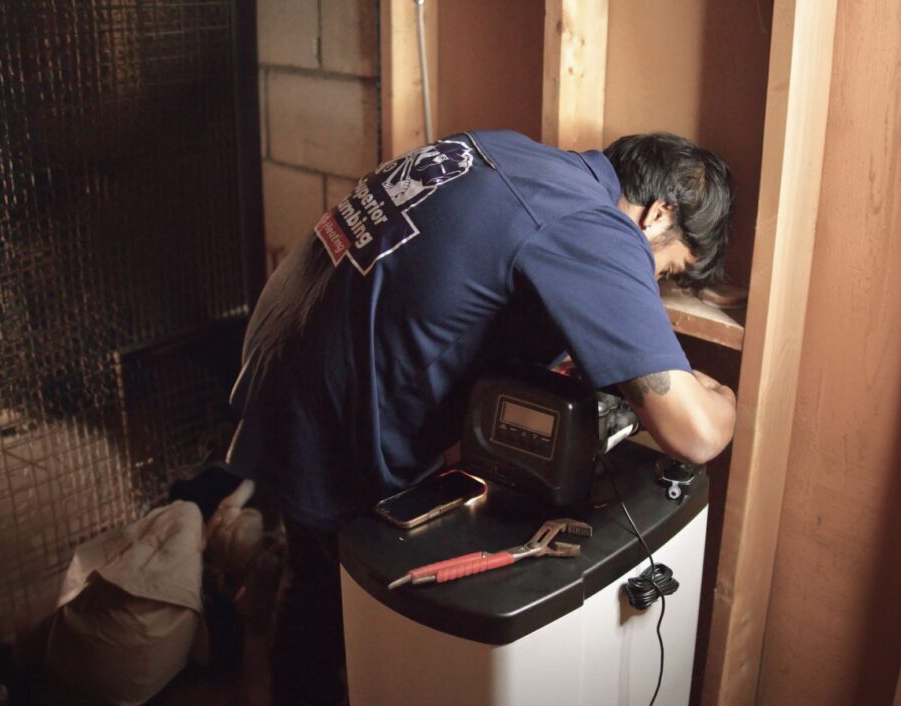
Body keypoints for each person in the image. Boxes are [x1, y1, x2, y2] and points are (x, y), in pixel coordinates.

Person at [226, 129, 737, 705]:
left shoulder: (513, 154)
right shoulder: (593, 224)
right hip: (328, 406)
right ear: (657, 214)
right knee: (338, 600)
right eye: (667, 270)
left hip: (282, 345)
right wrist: (722, 395)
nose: (655, 283)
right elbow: (694, 434)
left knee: (316, 578)